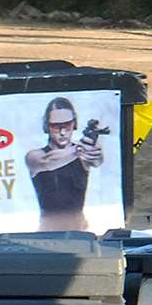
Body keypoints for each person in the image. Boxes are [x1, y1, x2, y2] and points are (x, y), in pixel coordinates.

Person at [26, 96, 105, 231]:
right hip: (47, 231)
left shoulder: (81, 152)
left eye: (67, 125)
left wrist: (94, 150)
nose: (62, 132)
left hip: (80, 229)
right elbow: (47, 162)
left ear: (74, 124)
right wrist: (79, 149)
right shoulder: (35, 156)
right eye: (56, 126)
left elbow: (97, 160)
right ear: (47, 126)